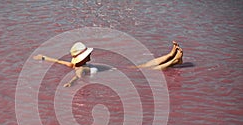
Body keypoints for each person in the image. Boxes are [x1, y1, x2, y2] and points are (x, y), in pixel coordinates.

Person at [33, 41, 183, 87]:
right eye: (88, 54)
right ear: (83, 59)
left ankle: (171, 56)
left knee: (143, 66)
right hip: (119, 74)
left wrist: (44, 57)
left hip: (116, 70)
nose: (90, 54)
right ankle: (174, 60)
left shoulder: (74, 65)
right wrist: (70, 83)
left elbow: (59, 61)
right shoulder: (81, 69)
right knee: (147, 69)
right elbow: (77, 78)